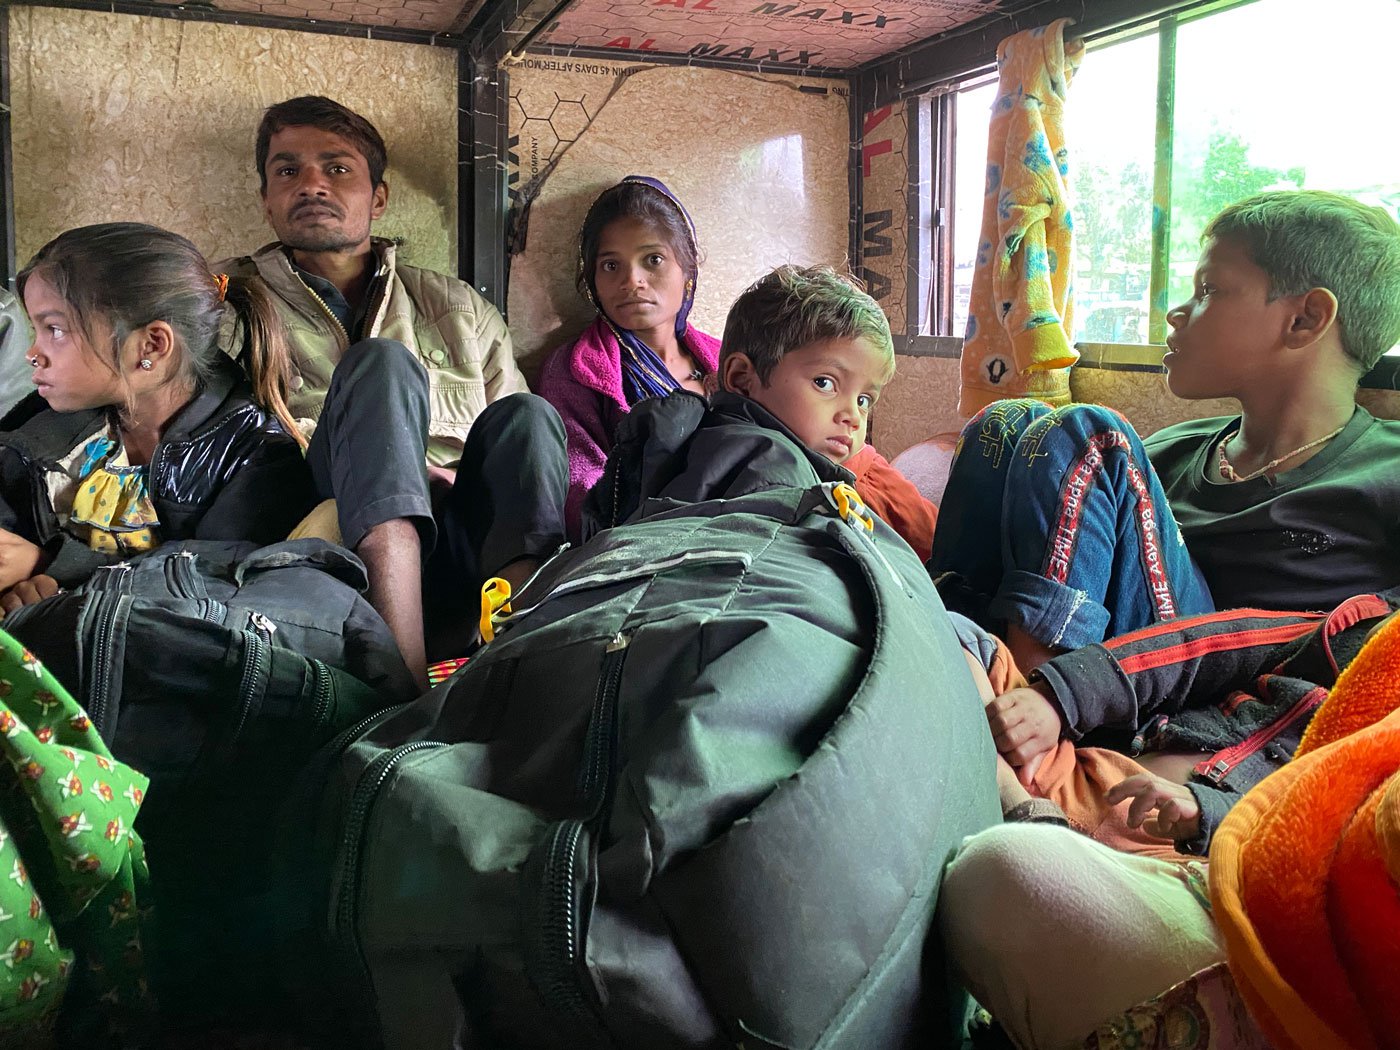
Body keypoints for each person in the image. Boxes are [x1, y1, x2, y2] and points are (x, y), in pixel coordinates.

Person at [930, 190, 1400, 676]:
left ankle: (1035, 702)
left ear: (1304, 319)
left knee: (1089, 435)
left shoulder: (1386, 471)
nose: (1178, 312)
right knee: (1004, 424)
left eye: (1210, 290)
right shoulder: (1175, 450)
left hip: (1197, 683)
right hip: (1117, 650)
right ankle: (950, 650)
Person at [937, 601, 1400, 1050]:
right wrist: (1057, 700)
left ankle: (1012, 799)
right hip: (1094, 775)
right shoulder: (1364, 626)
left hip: (1189, 864)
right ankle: (1024, 809)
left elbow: (1313, 858)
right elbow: (1205, 645)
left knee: (1000, 876)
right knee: (958, 635)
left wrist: (1209, 812)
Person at [223, 95, 538, 685]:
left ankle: (521, 660)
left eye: (337, 168)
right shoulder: (228, 312)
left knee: (531, 417)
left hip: (454, 557)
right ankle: (401, 685)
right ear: (266, 200)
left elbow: (510, 454)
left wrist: (445, 478)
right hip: (318, 545)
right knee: (383, 366)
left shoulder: (458, 310)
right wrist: (397, 471)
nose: (312, 184)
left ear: (379, 197)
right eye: (288, 170)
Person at [0, 222, 314, 608]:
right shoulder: (38, 434)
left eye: (55, 330)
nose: (33, 353)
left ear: (150, 345)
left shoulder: (255, 460)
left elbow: (209, 592)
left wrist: (50, 565)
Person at [536, 176, 721, 539]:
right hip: (636, 549)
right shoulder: (576, 370)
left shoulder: (728, 361)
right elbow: (581, 491)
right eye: (610, 265)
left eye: (653, 260)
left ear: (687, 272)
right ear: (592, 281)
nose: (632, 280)